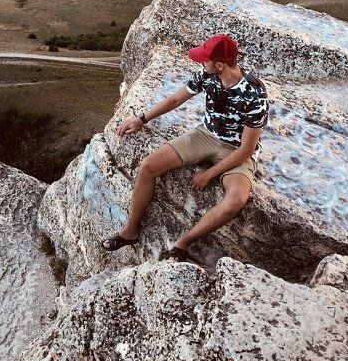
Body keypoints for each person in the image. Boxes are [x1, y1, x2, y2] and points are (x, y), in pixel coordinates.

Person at [102, 33, 269, 263]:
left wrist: (209, 175)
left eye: (205, 58)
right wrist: (141, 119)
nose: (201, 62)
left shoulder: (254, 93)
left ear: (219, 65)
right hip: (205, 135)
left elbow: (247, 150)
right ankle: (130, 231)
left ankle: (183, 243)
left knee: (236, 200)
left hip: (236, 149)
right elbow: (175, 99)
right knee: (149, 165)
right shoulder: (206, 75)